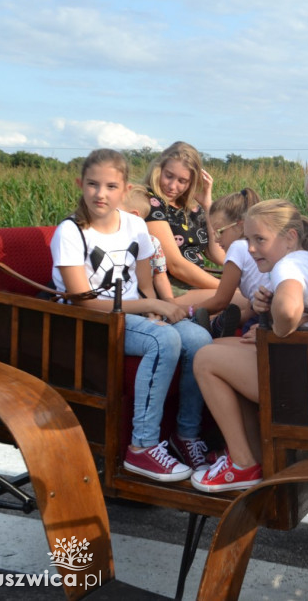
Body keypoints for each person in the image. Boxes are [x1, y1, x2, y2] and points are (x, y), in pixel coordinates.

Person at [51, 149, 213, 482]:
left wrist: (157, 307)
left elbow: (143, 285)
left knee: (199, 339)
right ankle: (141, 448)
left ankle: (186, 435)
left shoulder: (136, 225)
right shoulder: (71, 232)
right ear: (80, 184)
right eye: (93, 184)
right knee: (163, 339)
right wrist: (154, 311)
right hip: (92, 322)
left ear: (125, 190)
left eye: (111, 186)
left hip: (130, 315)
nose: (100, 193)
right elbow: (83, 303)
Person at [191, 199, 308, 492]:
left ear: (289, 238)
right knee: (224, 345)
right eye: (248, 239)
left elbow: (288, 312)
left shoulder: (286, 265)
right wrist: (267, 303)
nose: (250, 248)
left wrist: (276, 326)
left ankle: (242, 464)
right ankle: (253, 452)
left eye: (259, 239)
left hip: (305, 381)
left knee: (205, 359)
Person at [143, 141, 225, 302]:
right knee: (244, 299)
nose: (172, 186)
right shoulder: (149, 203)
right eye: (169, 176)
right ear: (158, 170)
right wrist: (225, 287)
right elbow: (176, 266)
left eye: (182, 181)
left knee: (251, 303)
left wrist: (207, 205)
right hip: (168, 289)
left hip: (195, 285)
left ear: (191, 183)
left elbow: (219, 256)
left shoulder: (191, 209)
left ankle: (214, 323)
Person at [190, 188, 265, 338]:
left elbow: (220, 301)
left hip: (264, 317)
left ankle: (216, 327)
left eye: (220, 231)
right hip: (260, 309)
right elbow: (251, 308)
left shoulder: (238, 247)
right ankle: (218, 323)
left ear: (240, 225)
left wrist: (189, 311)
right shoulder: (262, 245)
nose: (217, 239)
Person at [122, 184, 174, 303]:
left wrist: (170, 305)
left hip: (146, 299)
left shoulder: (152, 243)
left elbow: (160, 276)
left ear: (134, 216)